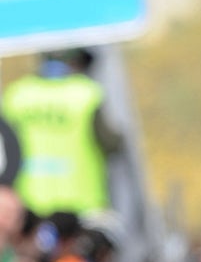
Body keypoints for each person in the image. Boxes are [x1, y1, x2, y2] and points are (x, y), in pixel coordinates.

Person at [1, 48, 123, 217]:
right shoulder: (86, 93)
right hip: (81, 204)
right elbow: (110, 143)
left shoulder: (17, 94)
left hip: (30, 205)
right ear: (73, 63)